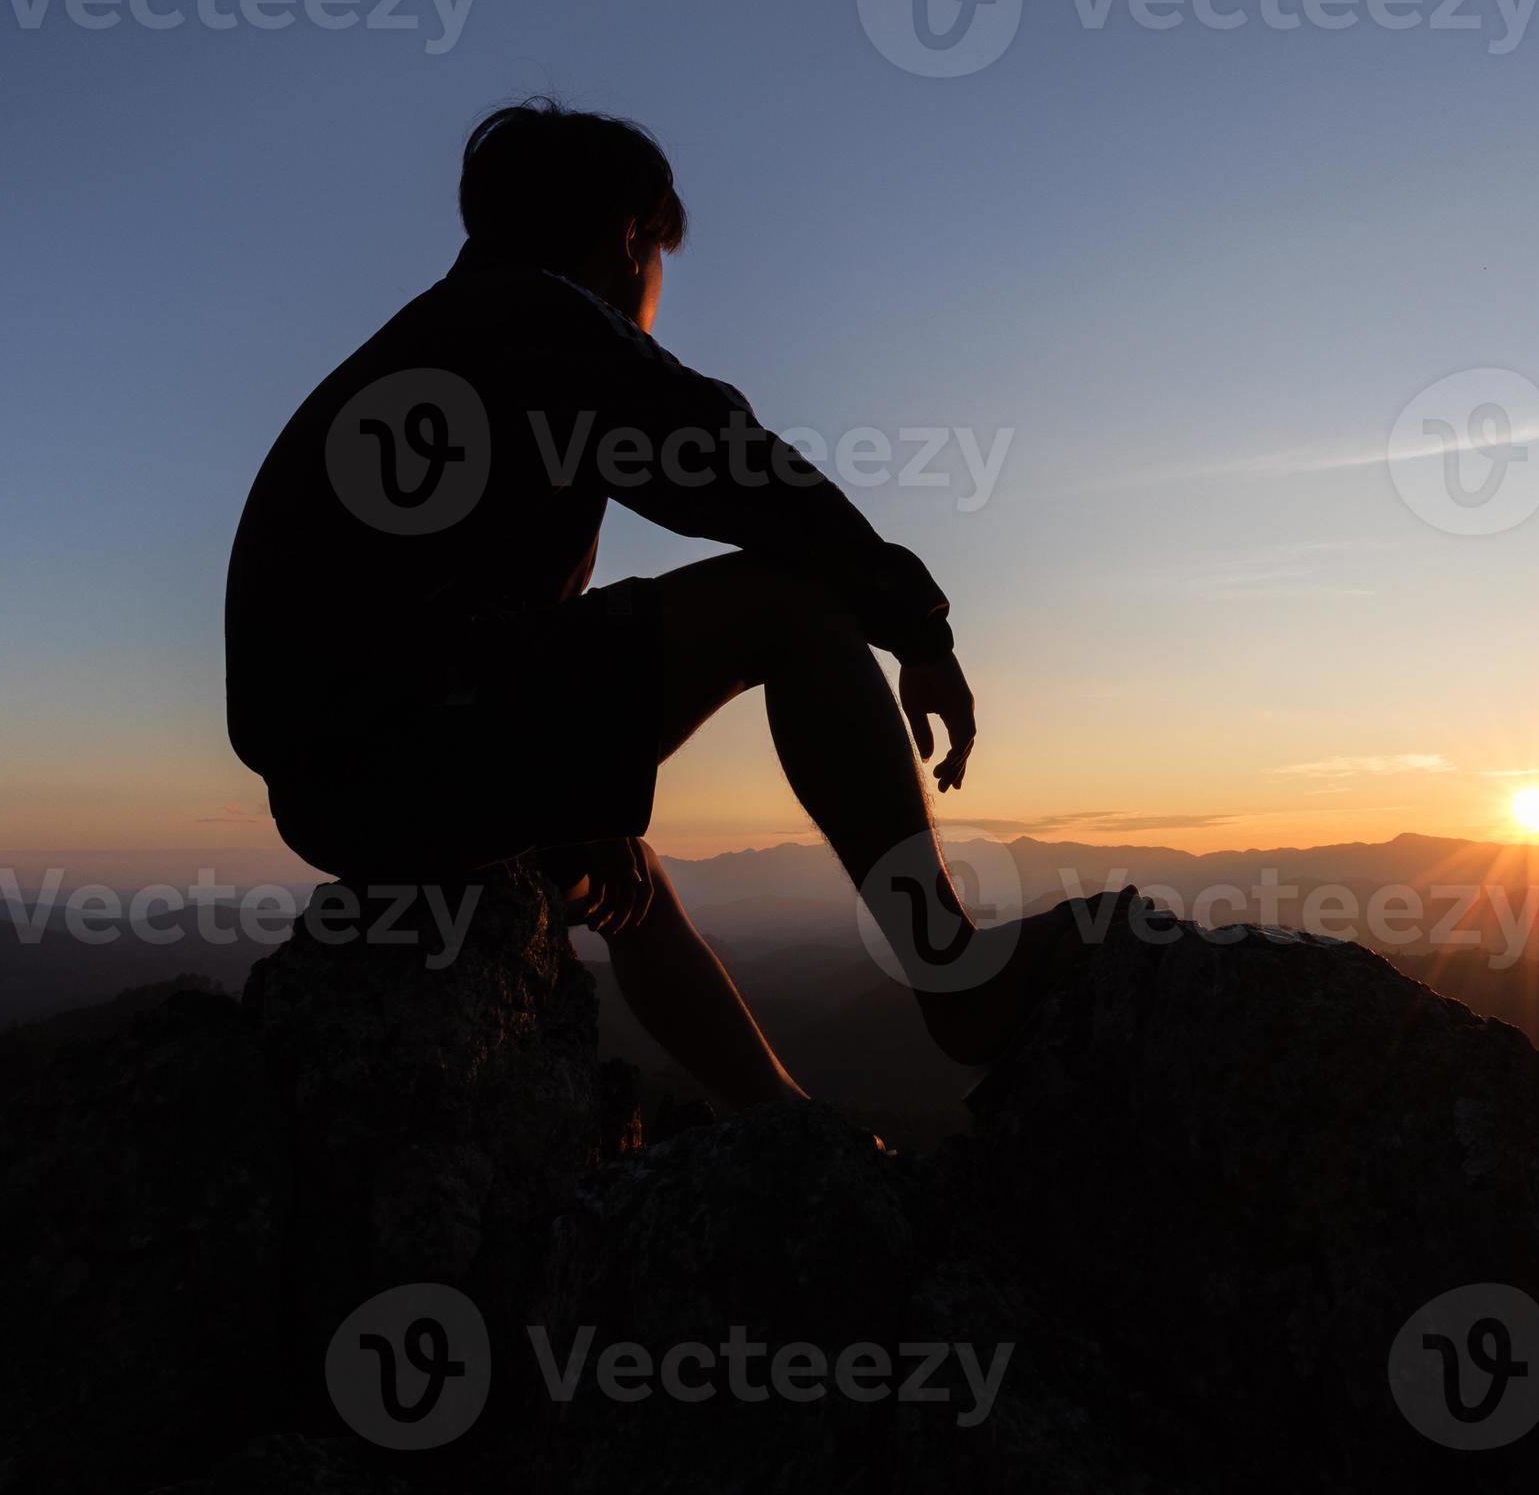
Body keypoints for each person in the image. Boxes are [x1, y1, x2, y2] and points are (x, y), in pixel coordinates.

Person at [223, 99, 1084, 1106]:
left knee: (629, 873)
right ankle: (956, 979)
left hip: (346, 777)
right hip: (413, 731)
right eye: (658, 257)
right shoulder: (535, 319)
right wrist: (913, 626)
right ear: (629, 237)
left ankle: (796, 1139)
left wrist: (561, 795)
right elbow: (731, 464)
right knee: (787, 605)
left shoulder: (433, 343)